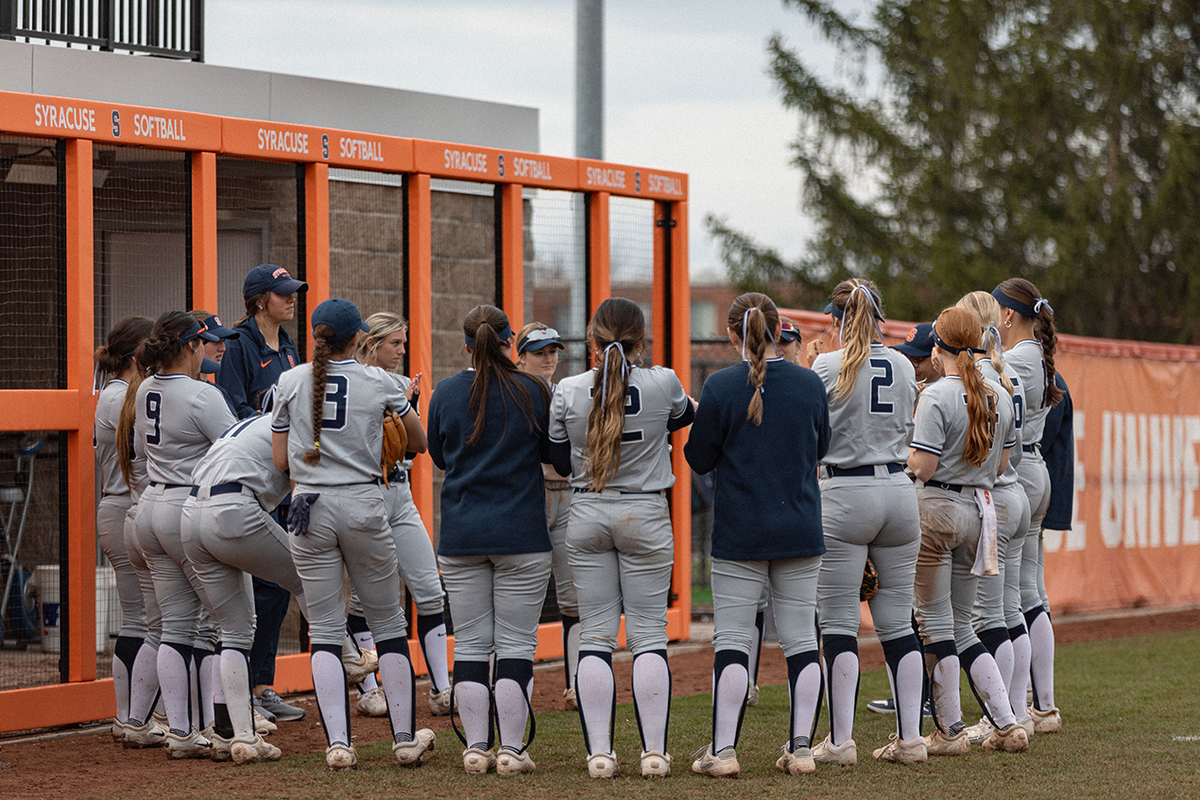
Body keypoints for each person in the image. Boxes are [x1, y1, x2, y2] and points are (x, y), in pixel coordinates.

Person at [271, 298, 431, 771]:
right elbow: (418, 444)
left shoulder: (290, 379)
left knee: (323, 630)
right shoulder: (380, 380)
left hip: (308, 507)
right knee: (389, 627)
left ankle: (338, 745)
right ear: (356, 338)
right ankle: (403, 739)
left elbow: (280, 463)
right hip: (363, 503)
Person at [685, 292, 828, 778]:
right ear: (774, 330)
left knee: (731, 640)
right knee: (800, 640)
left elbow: (697, 459)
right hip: (799, 526)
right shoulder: (809, 383)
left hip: (741, 530)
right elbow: (821, 446)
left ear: (732, 335)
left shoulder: (722, 385)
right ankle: (803, 747)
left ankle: (723, 752)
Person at [549, 298, 693, 780]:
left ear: (591, 344)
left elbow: (560, 461)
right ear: (642, 342)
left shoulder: (568, 388)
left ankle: (600, 756)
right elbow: (682, 418)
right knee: (649, 634)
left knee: (594, 636)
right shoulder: (663, 380)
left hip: (587, 509)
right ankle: (653, 753)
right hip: (644, 511)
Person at [427, 305, 554, 776]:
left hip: (462, 533)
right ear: (510, 341)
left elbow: (440, 458)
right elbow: (552, 455)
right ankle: (512, 750)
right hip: (521, 533)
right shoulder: (532, 389)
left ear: (466, 345)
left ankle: (477, 747)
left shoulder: (445, 391)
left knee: (473, 646)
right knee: (517, 644)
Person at [808, 280, 925, 765]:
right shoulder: (901, 362)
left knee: (838, 624)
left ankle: (840, 742)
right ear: (879, 319)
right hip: (899, 491)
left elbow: (812, 435)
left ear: (837, 321)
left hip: (844, 491)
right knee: (898, 625)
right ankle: (912, 739)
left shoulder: (826, 364)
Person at [909, 306, 1028, 755]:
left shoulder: (938, 394)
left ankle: (951, 731)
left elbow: (923, 465)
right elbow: (1002, 466)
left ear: (939, 348)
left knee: (934, 623)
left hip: (938, 507)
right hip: (981, 510)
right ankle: (1006, 721)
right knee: (964, 626)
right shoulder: (998, 389)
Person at [133, 311, 237, 758]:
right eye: (204, 343)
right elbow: (236, 452)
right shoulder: (202, 395)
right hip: (186, 506)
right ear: (190, 346)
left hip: (150, 505)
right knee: (219, 624)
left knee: (174, 625)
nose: (209, 350)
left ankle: (181, 730)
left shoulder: (144, 389)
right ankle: (216, 726)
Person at [181, 410, 309, 764]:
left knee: (234, 630)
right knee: (305, 575)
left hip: (190, 512)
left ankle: (237, 737)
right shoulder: (294, 422)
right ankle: (348, 655)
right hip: (231, 508)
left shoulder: (253, 424)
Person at [216, 263, 308, 725]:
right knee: (257, 587)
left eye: (292, 292)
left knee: (276, 589)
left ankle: (261, 684)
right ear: (259, 301)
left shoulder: (291, 347)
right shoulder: (239, 346)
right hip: (249, 482)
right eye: (282, 293)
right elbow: (232, 411)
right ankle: (238, 693)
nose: (291, 299)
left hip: (284, 484)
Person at [347, 312, 452, 719]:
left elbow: (411, 450)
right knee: (365, 597)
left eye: (404, 343)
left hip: (400, 491)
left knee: (428, 588)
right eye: (395, 344)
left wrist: (406, 406)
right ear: (372, 343)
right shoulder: (358, 380)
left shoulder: (395, 383)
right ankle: (369, 688)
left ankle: (441, 689)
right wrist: (402, 408)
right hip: (366, 492)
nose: (402, 351)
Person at [956, 291, 1034, 742]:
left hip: (993, 499)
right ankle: (1017, 707)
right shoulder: (1007, 373)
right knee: (1010, 610)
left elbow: (988, 460)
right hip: (1015, 493)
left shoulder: (977, 375)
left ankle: (999, 715)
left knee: (988, 619)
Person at [993, 278, 1065, 734]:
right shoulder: (1036, 352)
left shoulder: (1018, 355)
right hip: (1036, 469)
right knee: (1031, 593)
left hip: (1019, 470)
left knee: (1010, 600)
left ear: (1006, 315)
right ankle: (1045, 706)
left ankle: (1018, 708)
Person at [94, 315, 156, 744]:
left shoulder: (113, 392)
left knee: (139, 621)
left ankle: (128, 716)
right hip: (131, 509)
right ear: (137, 354)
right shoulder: (126, 395)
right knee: (155, 623)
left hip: (116, 509)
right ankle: (138, 719)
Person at [515, 321, 580, 710]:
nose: (549, 358)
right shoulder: (514, 394)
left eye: (553, 351)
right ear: (519, 356)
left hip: (569, 496)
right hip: (531, 496)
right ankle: (518, 684)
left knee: (573, 596)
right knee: (525, 597)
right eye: (539, 352)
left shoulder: (566, 392)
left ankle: (575, 684)